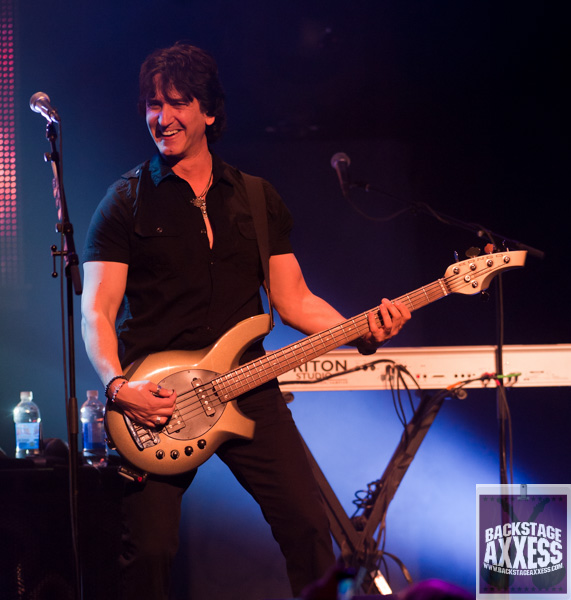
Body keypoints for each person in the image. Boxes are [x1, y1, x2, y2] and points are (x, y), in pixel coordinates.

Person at [80, 41, 411, 600]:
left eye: (177, 103)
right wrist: (118, 387)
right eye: (153, 104)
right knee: (150, 551)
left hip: (246, 385)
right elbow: (97, 310)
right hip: (156, 398)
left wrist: (362, 331)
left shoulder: (256, 198)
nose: (162, 117)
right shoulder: (124, 202)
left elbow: (294, 300)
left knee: (309, 529)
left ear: (209, 111)